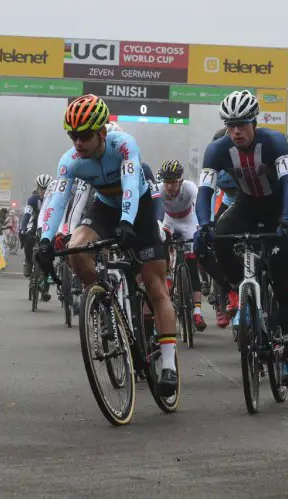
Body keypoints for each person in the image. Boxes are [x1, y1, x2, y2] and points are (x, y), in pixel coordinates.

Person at [35, 94, 178, 396]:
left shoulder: (124, 144)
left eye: (84, 135)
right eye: (73, 135)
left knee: (155, 285)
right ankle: (103, 301)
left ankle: (168, 364)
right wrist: (46, 240)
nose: (78, 142)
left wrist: (127, 221)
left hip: (137, 207)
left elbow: (129, 184)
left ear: (102, 132)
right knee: (76, 249)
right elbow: (58, 198)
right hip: (104, 208)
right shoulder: (70, 160)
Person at [194, 90, 288, 384]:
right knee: (206, 243)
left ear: (254, 122)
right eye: (230, 125)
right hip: (246, 206)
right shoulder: (217, 149)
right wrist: (203, 225)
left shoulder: (274, 142)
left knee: (281, 281)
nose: (236, 131)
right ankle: (240, 289)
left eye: (241, 124)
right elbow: (205, 191)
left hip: (276, 208)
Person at [157, 160, 206, 331]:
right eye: (166, 182)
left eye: (172, 182)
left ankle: (198, 312)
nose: (169, 187)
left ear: (180, 181)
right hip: (169, 221)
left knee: (192, 266)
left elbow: (200, 205)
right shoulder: (160, 189)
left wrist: (201, 226)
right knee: (162, 241)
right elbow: (156, 211)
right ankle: (168, 277)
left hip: (188, 221)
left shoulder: (190, 188)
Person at [21, 175, 52, 278]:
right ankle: (29, 262)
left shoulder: (54, 199)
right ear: (37, 188)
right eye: (40, 188)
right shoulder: (33, 199)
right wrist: (23, 227)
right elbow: (27, 215)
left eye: (45, 189)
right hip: (36, 224)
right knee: (28, 239)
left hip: (50, 225)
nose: (42, 191)